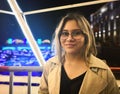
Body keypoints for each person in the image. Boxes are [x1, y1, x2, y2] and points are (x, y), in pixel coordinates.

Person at [38, 13, 120, 94]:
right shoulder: (50, 66)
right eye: (65, 33)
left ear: (86, 37)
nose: (70, 38)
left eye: (76, 33)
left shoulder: (103, 72)